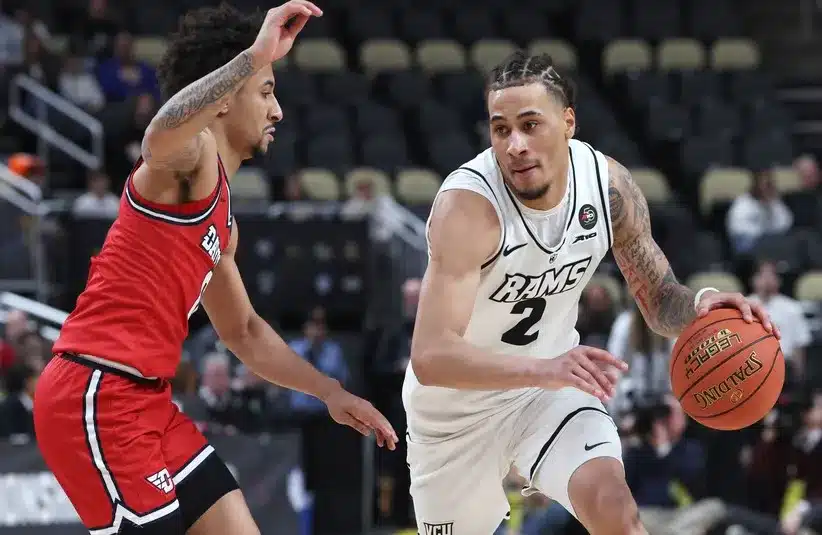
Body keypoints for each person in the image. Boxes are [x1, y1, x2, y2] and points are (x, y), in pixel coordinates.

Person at [33, 3, 397, 535]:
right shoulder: (189, 156)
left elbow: (245, 332)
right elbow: (158, 136)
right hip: (97, 391)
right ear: (225, 99)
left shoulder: (223, 219)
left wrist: (330, 393)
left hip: (148, 401)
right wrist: (252, 58)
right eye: (266, 91)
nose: (277, 112)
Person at [403, 50, 778, 535]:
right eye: (501, 129)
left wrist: (701, 306)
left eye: (530, 124)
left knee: (612, 505)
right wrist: (545, 367)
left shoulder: (608, 188)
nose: (515, 144)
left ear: (568, 122)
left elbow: (661, 298)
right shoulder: (468, 208)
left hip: (546, 393)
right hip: (454, 412)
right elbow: (432, 356)